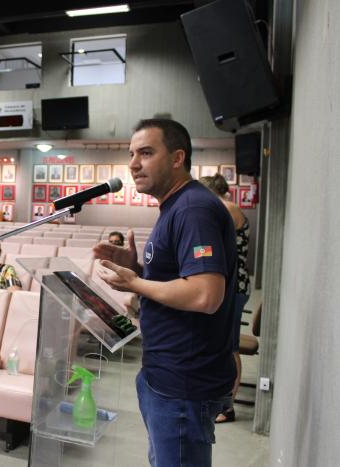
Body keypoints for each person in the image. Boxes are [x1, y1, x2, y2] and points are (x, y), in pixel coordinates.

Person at [93, 119, 236, 467]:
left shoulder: (193, 209)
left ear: (177, 158)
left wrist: (135, 283)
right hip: (166, 374)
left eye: (145, 153)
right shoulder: (177, 206)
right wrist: (139, 269)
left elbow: (205, 294)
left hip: (184, 382)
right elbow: (180, 281)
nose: (133, 164)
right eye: (131, 154)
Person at [200, 173, 251, 424]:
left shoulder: (226, 209)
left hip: (235, 287)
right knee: (225, 344)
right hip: (231, 285)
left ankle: (228, 406)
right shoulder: (224, 208)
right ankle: (221, 399)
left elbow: (210, 245)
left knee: (231, 346)